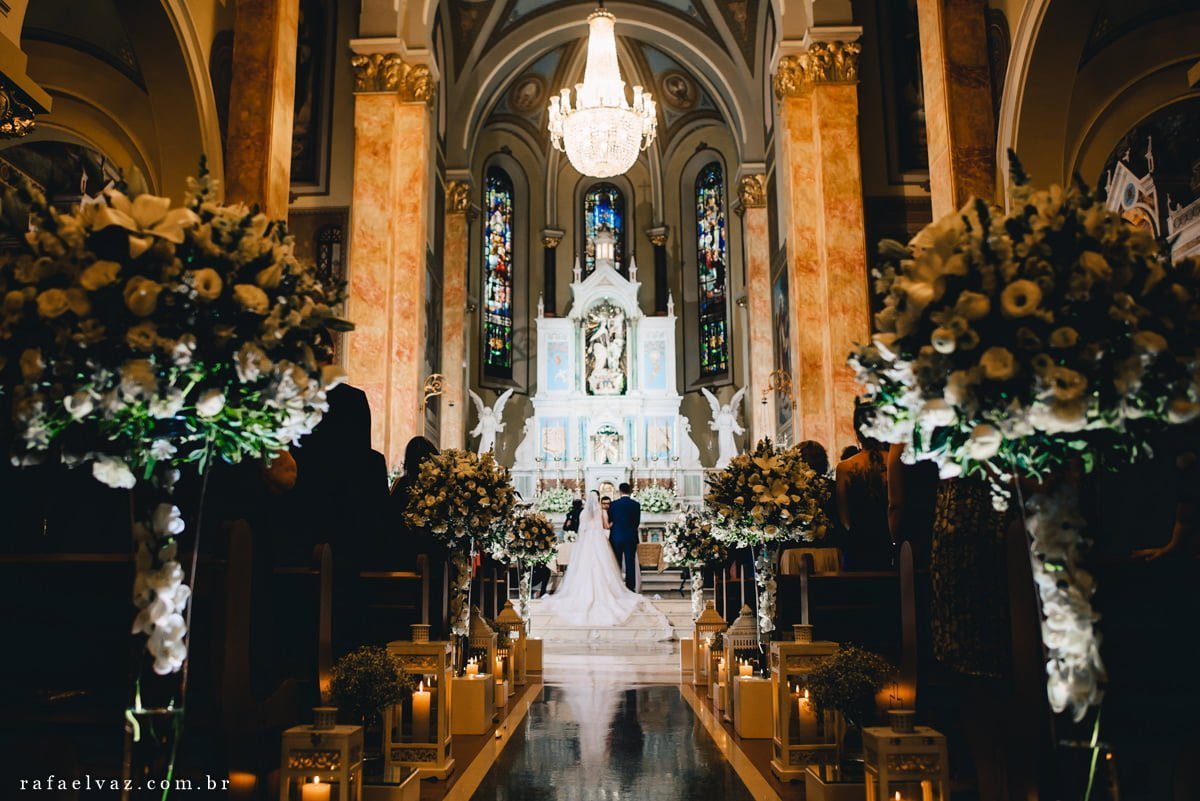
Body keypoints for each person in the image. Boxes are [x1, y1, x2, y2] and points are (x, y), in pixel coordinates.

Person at [536, 491, 670, 635]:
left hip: (586, 544)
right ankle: (611, 591)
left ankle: (582, 592)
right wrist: (612, 524)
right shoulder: (602, 512)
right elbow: (606, 526)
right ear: (598, 500)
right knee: (603, 567)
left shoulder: (583, 514)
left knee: (584, 568)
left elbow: (580, 528)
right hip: (599, 543)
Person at [835, 404, 893, 570]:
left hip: (858, 544)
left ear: (857, 432)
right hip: (890, 541)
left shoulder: (845, 467)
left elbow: (844, 518)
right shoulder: (894, 462)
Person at [607, 483, 641, 591]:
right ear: (630, 491)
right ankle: (631, 588)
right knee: (630, 562)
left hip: (616, 536)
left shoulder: (613, 504)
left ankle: (618, 587)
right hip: (630, 536)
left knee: (616, 562)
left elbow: (609, 520)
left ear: (620, 491)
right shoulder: (636, 504)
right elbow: (637, 522)